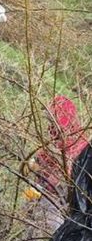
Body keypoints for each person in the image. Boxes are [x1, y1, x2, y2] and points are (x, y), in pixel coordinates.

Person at [26, 95, 90, 232]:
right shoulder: (56, 143)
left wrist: (49, 178)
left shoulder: (79, 148)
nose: (50, 128)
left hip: (61, 205)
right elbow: (36, 161)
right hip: (44, 195)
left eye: (53, 122)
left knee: (51, 229)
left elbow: (71, 181)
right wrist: (36, 167)